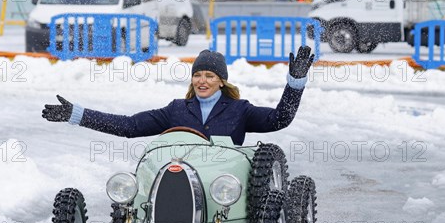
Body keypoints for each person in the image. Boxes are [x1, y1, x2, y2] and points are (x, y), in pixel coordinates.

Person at [42, 46, 315, 146]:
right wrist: (76, 115)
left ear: (221, 82)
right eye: (198, 75)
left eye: (210, 76)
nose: (202, 80)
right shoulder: (176, 110)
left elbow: (280, 119)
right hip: (179, 179)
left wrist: (295, 82)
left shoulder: (239, 110)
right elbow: (129, 126)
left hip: (226, 189)